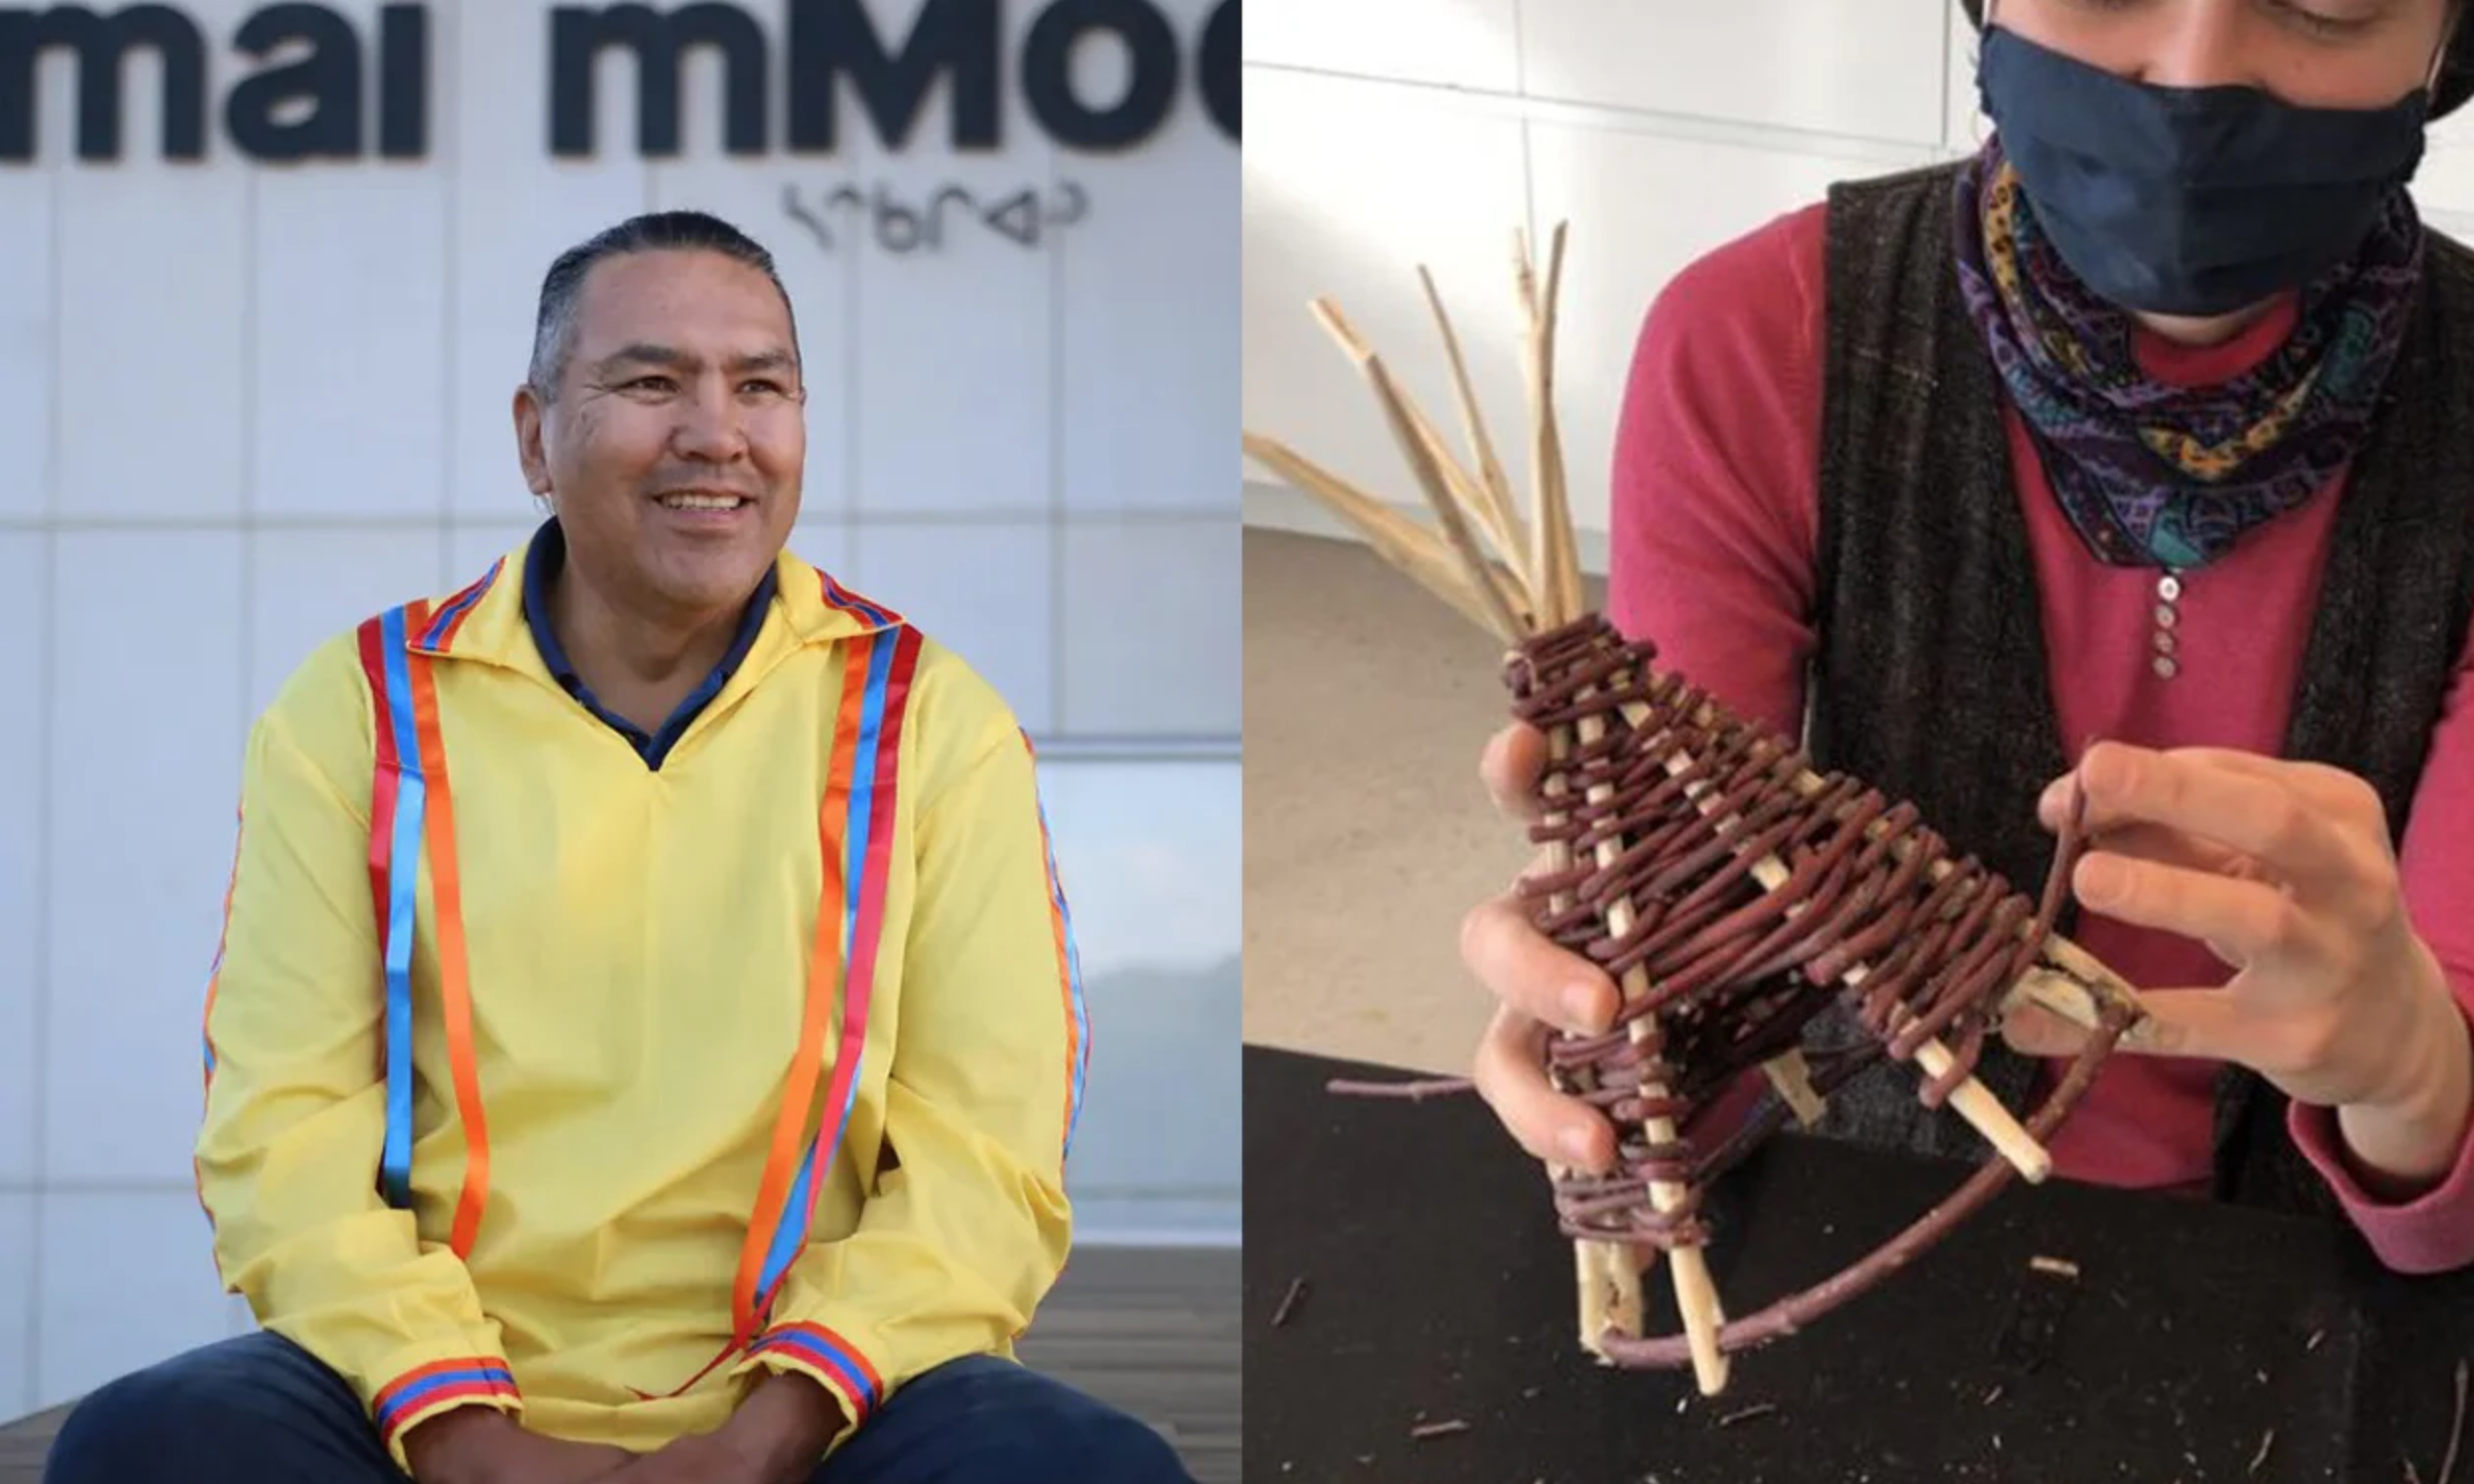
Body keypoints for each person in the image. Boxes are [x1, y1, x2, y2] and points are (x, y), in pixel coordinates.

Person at [42, 211, 1187, 1484]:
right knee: (146, 1446)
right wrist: (471, 1440)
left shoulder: (926, 717)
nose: (717, 431)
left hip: (820, 1412)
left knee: (1087, 1468)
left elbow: (989, 1157)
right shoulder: (366, 702)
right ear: (535, 436)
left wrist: (761, 1441)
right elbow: (284, 1130)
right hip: (425, 1407)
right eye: (652, 382)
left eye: (762, 385)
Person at [1459, 0, 2474, 1277]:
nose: (2190, 78)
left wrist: (2416, 1067)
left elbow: (2444, 1192)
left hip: (2311, 1296)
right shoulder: (1758, 349)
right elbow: (1704, 1046)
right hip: (1874, 1256)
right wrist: (1626, 1029)